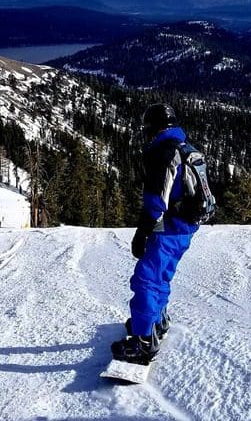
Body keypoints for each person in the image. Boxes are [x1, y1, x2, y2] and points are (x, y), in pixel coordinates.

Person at [111, 103, 201, 365]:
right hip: (184, 225)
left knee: (146, 279)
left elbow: (156, 199)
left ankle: (143, 343)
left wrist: (143, 231)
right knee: (161, 274)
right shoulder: (183, 146)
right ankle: (156, 322)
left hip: (170, 226)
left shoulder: (164, 152)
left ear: (153, 126)